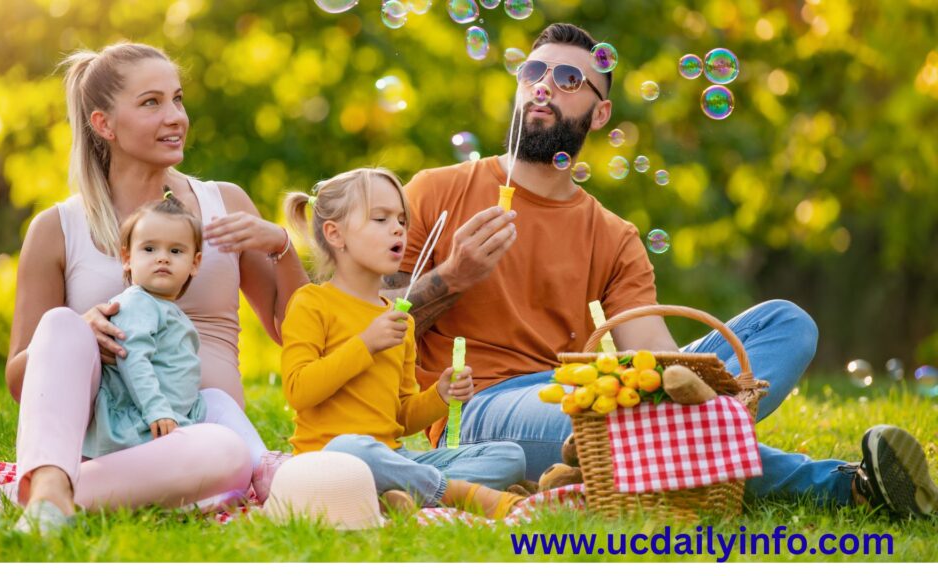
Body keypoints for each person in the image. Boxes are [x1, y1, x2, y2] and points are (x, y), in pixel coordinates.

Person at [382, 23, 937, 518]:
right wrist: (453, 275)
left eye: (569, 79)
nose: (544, 85)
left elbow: (657, 356)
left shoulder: (613, 235)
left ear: (600, 114)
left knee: (786, 324)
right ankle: (848, 487)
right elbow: (376, 323)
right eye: (534, 71)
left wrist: (680, 388)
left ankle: (649, 444)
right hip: (482, 408)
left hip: (587, 390)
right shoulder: (440, 190)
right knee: (633, 416)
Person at [0, 42, 308, 531]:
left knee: (231, 453)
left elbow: (293, 331)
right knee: (60, 324)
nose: (176, 117)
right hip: (103, 436)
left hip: (194, 440)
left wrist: (282, 247)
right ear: (104, 124)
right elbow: (20, 378)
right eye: (152, 103)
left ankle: (19, 499)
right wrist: (82, 337)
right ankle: (52, 489)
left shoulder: (223, 203)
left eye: (178, 99)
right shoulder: (57, 227)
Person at [280, 168, 527, 519]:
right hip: (330, 460)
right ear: (335, 234)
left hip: (393, 460)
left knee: (509, 456)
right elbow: (298, 391)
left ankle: (398, 494)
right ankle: (456, 493)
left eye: (401, 219)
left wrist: (440, 398)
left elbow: (400, 416)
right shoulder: (311, 303)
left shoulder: (401, 321)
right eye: (380, 219)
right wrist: (365, 344)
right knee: (352, 448)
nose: (398, 228)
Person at [81, 192, 269, 488]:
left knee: (217, 400)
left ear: (195, 264)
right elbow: (133, 358)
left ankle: (263, 464)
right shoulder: (137, 303)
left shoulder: (164, 308)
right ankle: (261, 470)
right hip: (142, 426)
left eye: (176, 251)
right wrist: (156, 409)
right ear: (127, 258)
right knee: (214, 459)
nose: (162, 257)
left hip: (175, 415)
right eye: (149, 248)